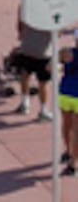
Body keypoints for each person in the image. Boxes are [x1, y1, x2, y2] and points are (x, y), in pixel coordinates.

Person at [16, 9, 53, 121]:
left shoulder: (25, 5)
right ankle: (43, 110)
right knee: (43, 82)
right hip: (43, 51)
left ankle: (24, 103)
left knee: (25, 75)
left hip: (27, 47)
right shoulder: (50, 8)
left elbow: (19, 25)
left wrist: (22, 35)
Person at [59, 40, 78, 175]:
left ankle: (68, 150)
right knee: (77, 130)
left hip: (65, 93)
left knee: (66, 124)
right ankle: (73, 163)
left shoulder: (67, 52)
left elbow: (50, 66)